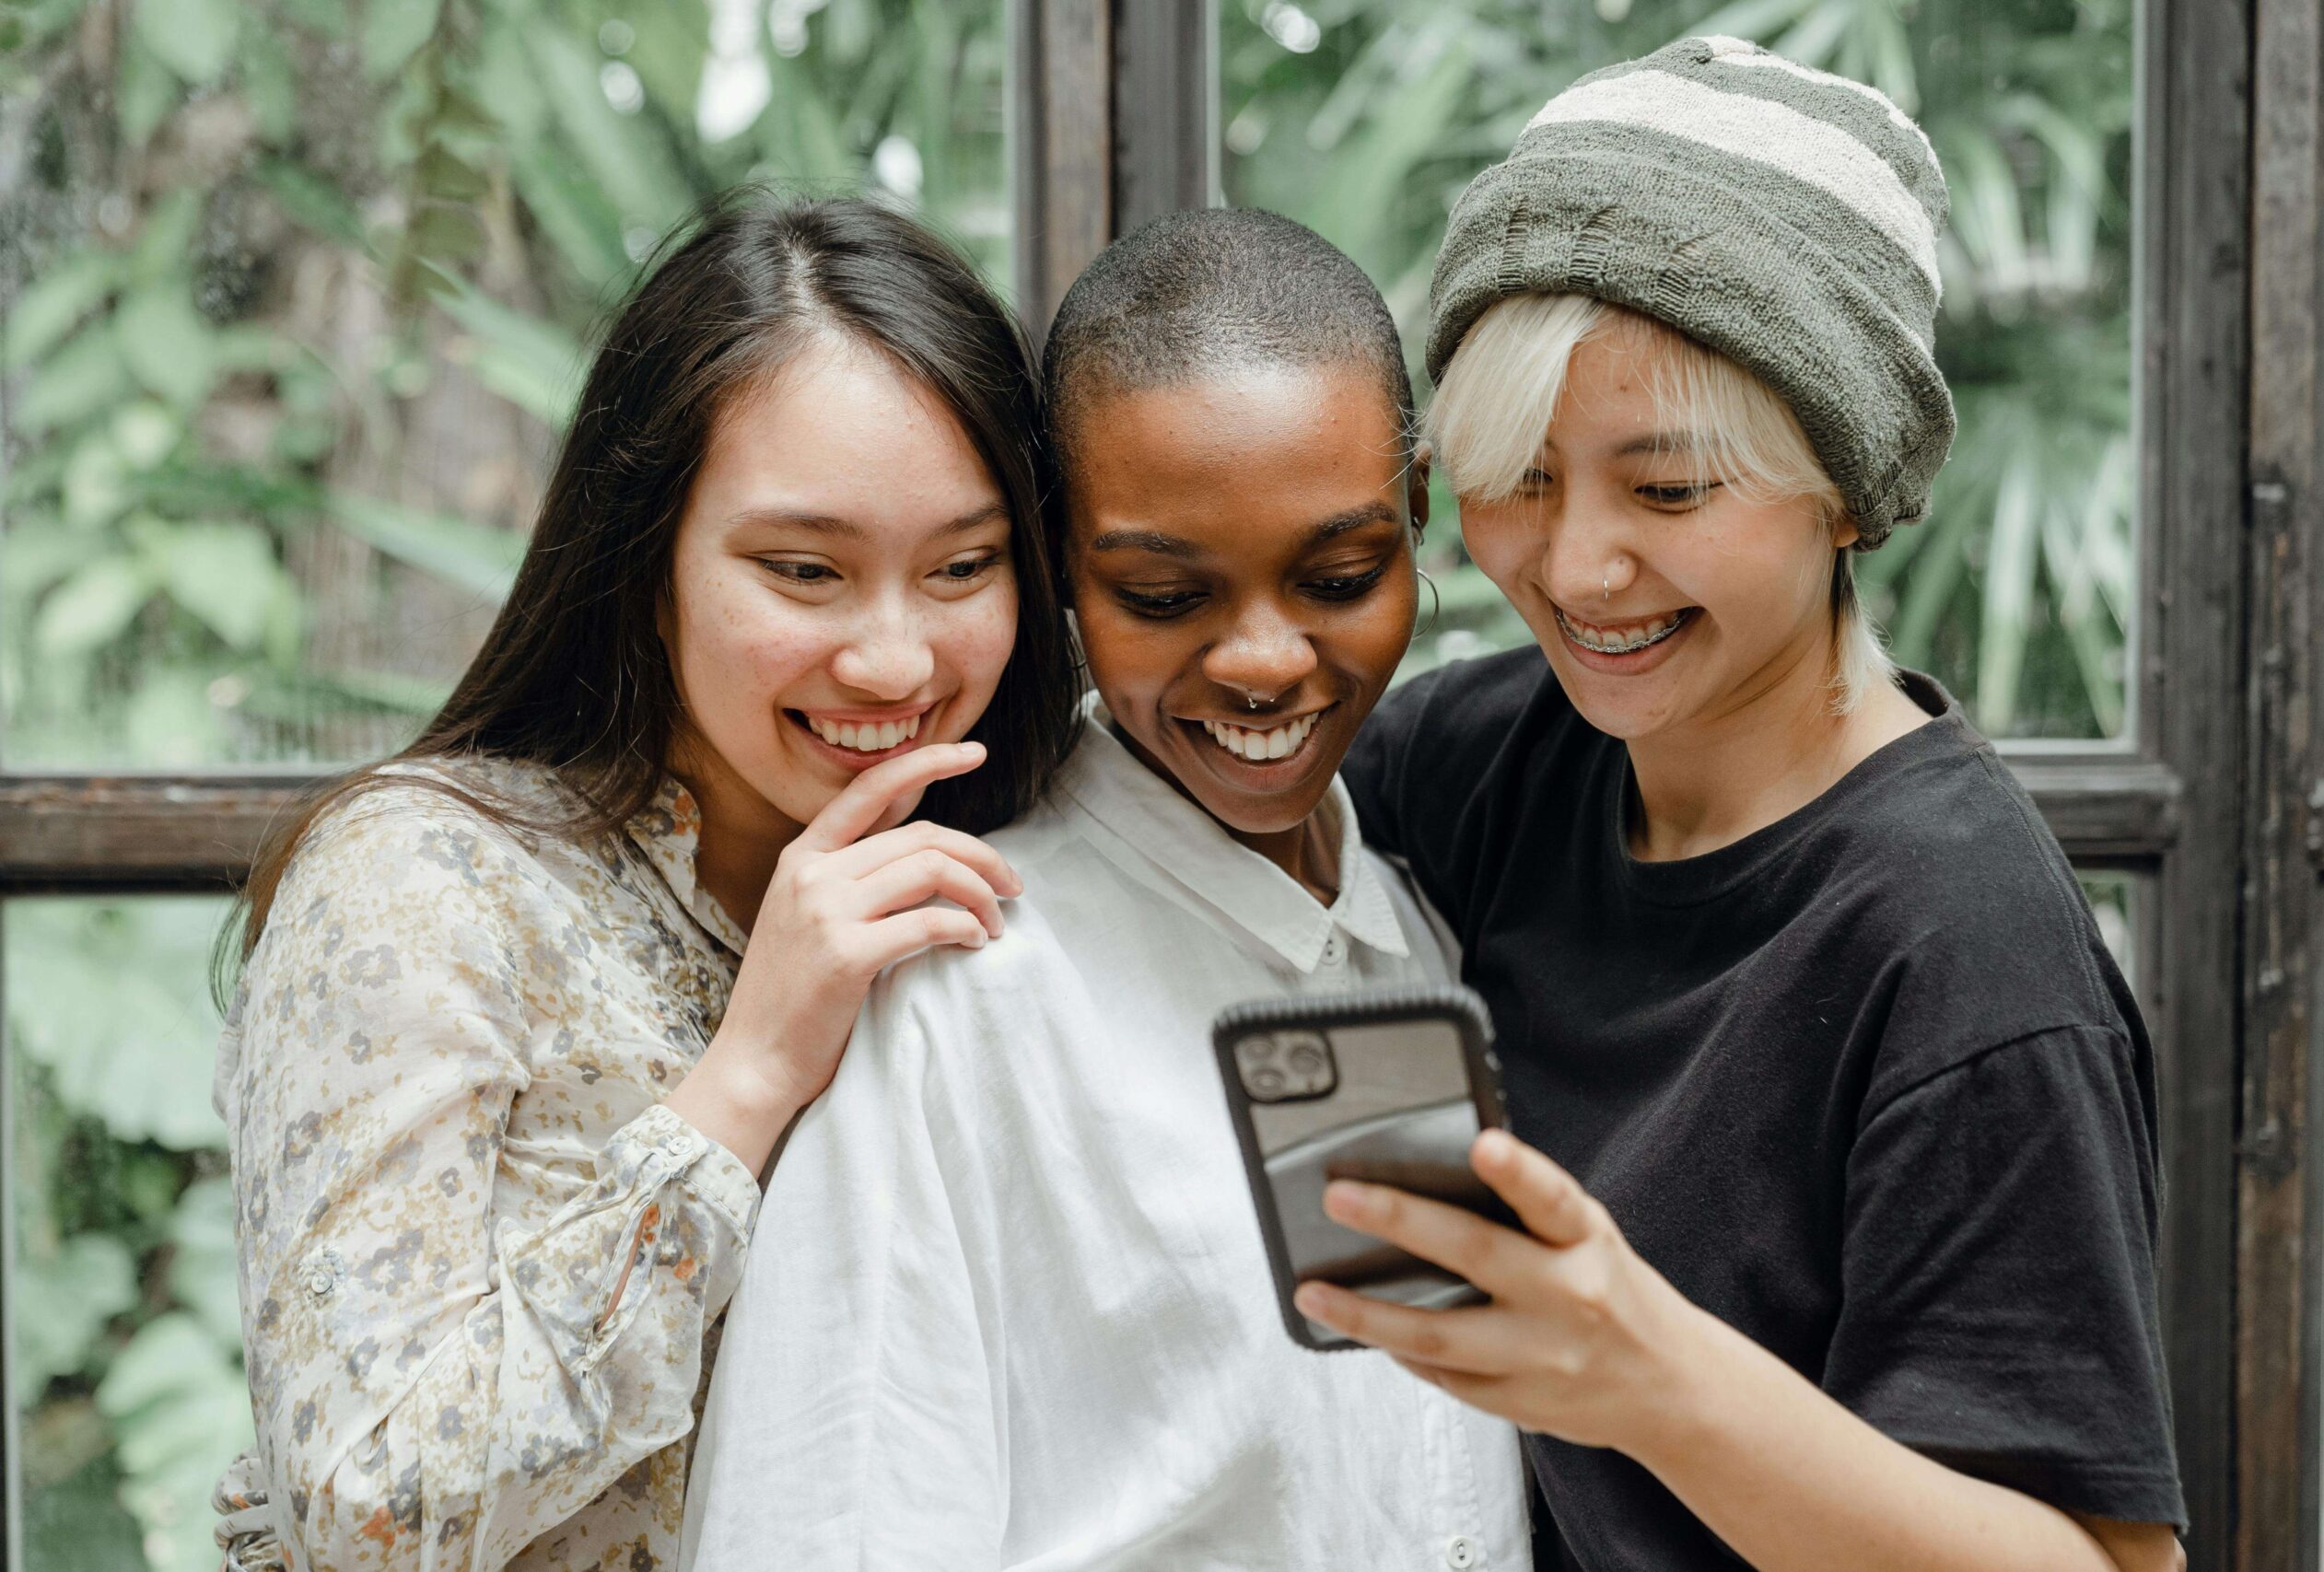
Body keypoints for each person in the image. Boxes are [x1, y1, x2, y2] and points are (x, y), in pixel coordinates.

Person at [1312, 37, 2185, 1572]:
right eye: (1522, 476)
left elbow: (2109, 1563)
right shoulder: (1491, 758)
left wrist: (1649, 1378)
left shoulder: (1967, 953)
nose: (1577, 569)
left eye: (1668, 491)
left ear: (1847, 488)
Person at [209, 190, 1080, 1572]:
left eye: (964, 566)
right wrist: (747, 1080)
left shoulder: (1020, 888)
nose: (896, 661)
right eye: (806, 571)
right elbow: (365, 1510)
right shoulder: (421, 885)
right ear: (646, 558)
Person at [681, 208, 1529, 1571]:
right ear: (1058, 561)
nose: (1265, 660)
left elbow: (1404, 1481)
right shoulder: (960, 989)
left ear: (1419, 512)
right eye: (1163, 596)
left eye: (1338, 576)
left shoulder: (1403, 935)